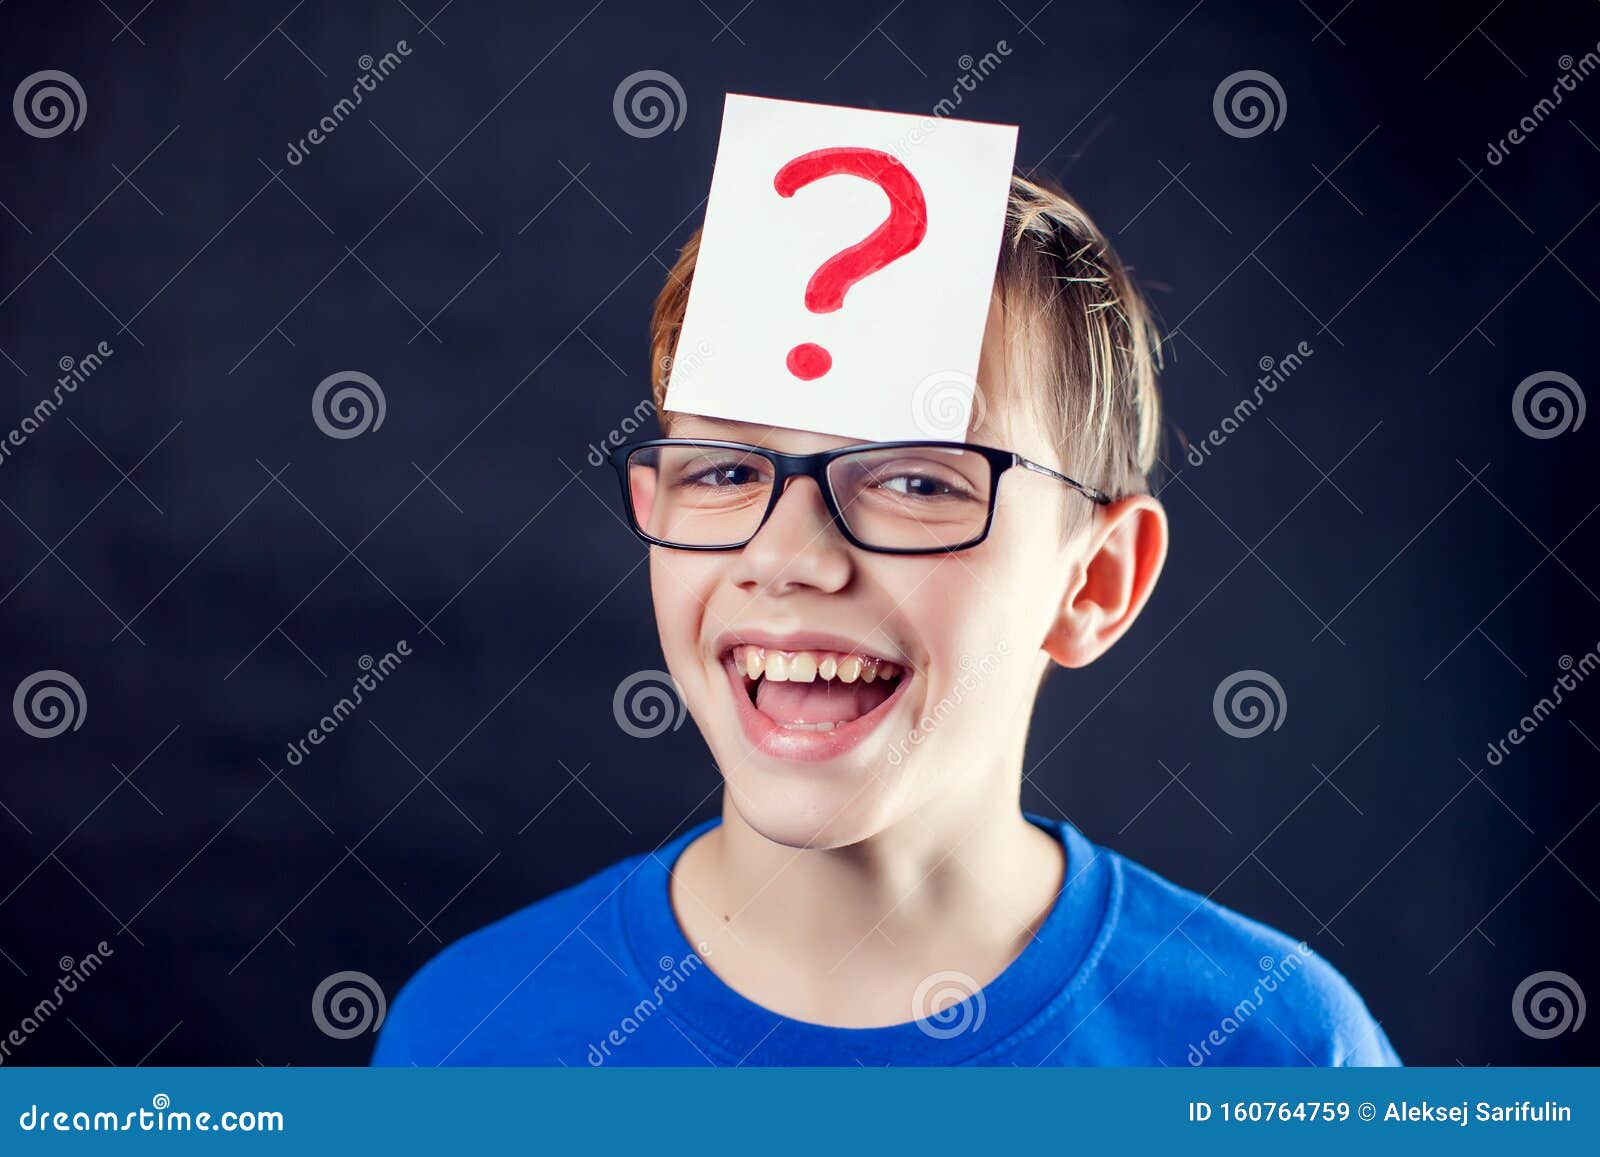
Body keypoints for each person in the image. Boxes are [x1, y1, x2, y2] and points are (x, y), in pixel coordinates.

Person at [370, 173, 1399, 1067]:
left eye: (917, 479)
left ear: (1093, 581)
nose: (787, 553)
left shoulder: (1280, 1051)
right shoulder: (472, 1038)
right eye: (725, 469)